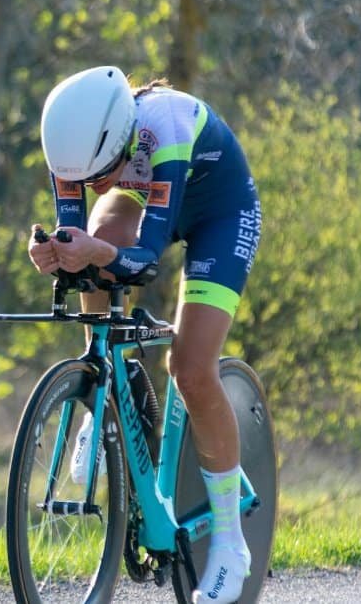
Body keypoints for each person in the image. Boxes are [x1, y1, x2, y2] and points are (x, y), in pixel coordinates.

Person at [28, 66, 261, 604]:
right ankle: (104, 386)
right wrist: (55, 250)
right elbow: (75, 236)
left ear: (120, 144)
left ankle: (230, 541)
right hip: (145, 194)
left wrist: (95, 251)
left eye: (99, 177)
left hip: (218, 214)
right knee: (85, 251)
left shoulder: (166, 128)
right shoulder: (74, 145)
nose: (90, 188)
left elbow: (143, 260)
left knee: (192, 369)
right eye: (82, 181)